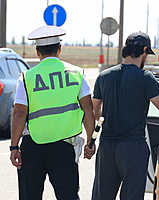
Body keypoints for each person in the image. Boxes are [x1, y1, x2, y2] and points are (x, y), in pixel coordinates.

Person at [90, 31, 159, 200]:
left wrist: (92, 138)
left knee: (101, 196)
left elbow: (94, 111)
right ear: (144, 51)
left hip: (107, 147)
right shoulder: (146, 78)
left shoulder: (104, 77)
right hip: (133, 148)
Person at [9, 25, 95, 200]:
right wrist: (90, 140)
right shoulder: (77, 74)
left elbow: (19, 113)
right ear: (59, 49)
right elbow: (88, 109)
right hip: (64, 147)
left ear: (38, 51)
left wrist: (14, 146)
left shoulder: (27, 77)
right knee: (68, 196)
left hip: (32, 146)